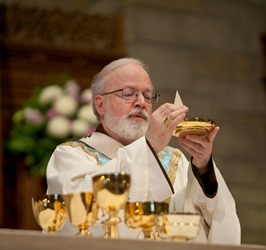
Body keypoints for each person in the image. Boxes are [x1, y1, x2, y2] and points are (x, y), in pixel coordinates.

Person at [46, 57, 241, 244]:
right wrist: (149, 146)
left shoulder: (174, 160)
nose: (141, 102)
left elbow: (197, 221)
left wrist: (203, 169)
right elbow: (77, 223)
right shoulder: (71, 156)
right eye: (128, 93)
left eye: (148, 96)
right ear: (100, 104)